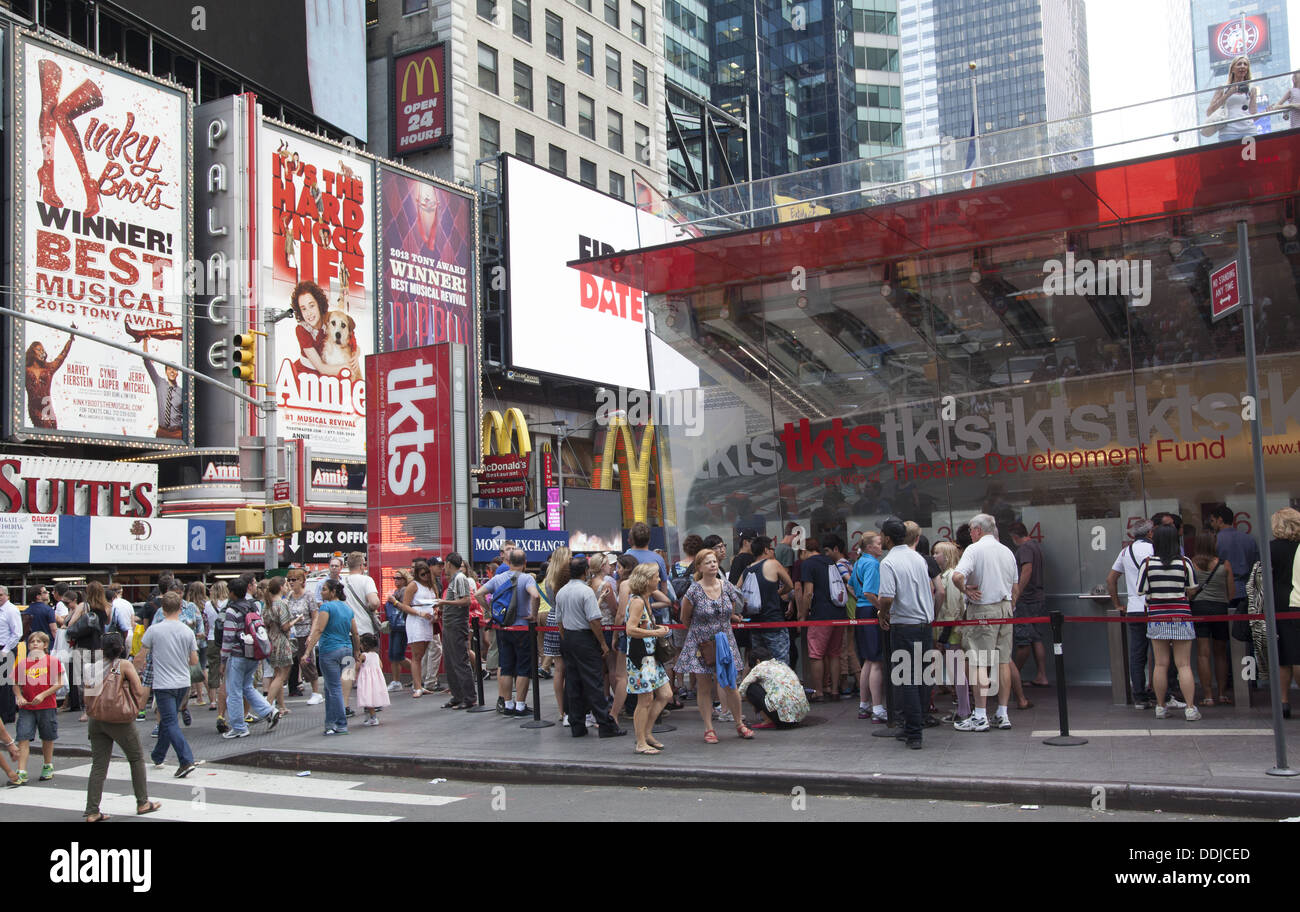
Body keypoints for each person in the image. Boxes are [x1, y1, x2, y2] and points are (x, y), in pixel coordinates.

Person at [952, 513, 1019, 732]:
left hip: (983, 608)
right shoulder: (1006, 550)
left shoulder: (974, 549)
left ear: (978, 530)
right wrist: (1010, 606)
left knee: (979, 661)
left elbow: (957, 576)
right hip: (1005, 606)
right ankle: (1002, 712)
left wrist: (966, 591)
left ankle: (980, 715)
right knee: (1002, 660)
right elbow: (1015, 587)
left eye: (971, 530)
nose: (970, 533)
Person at [82, 633, 160, 820]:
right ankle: (142, 802)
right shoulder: (124, 665)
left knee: (99, 765)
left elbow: (87, 696)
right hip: (120, 720)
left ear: (102, 649)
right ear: (121, 648)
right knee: (135, 758)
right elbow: (139, 690)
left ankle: (92, 810)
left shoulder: (93, 667)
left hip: (97, 720)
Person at [678, 548, 752, 742]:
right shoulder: (694, 590)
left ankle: (739, 723)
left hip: (725, 640)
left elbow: (732, 608)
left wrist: (730, 618)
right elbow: (684, 618)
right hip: (701, 642)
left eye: (714, 561)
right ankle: (709, 728)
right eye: (708, 562)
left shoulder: (726, 586)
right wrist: (700, 632)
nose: (712, 564)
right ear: (700, 567)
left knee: (730, 683)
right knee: (704, 685)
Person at [878, 519, 939, 749]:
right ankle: (915, 724)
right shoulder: (917, 558)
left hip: (905, 626)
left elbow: (887, 596)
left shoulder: (889, 562)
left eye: (882, 534)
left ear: (888, 538)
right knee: (921, 678)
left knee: (908, 680)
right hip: (924, 624)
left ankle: (914, 732)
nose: (880, 537)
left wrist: (882, 614)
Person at [554, 555, 626, 739]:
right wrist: (602, 643)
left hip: (569, 637)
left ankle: (576, 724)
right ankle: (605, 724)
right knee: (594, 681)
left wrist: (566, 637)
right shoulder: (585, 592)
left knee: (573, 681)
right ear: (585, 571)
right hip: (585, 638)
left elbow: (559, 621)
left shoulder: (561, 592)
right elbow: (594, 620)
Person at [1137, 524, 1201, 722]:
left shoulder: (1147, 564)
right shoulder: (1185, 563)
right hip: (1181, 616)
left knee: (1160, 664)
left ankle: (1160, 706)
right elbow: (1192, 589)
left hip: (1157, 617)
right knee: (1183, 665)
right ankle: (1190, 709)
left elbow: (1141, 590)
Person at [138, 592, 200, 778]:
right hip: (182, 682)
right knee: (168, 719)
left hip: (163, 683)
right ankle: (158, 755)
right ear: (181, 608)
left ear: (162, 609)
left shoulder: (154, 630)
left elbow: (141, 656)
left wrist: (133, 673)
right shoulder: (187, 631)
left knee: (170, 721)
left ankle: (185, 759)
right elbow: (194, 660)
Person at [474, 548, 541, 716]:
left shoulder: (498, 578)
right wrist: (533, 614)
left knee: (506, 667)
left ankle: (508, 704)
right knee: (523, 667)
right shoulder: (526, 578)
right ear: (525, 563)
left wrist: (490, 610)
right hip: (522, 628)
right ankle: (520, 705)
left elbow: (478, 594)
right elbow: (535, 596)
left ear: (509, 563)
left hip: (503, 627)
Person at [220, 575, 283, 739]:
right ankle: (269, 711)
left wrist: (222, 661)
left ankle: (239, 727)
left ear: (233, 593)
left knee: (234, 691)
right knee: (247, 687)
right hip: (253, 655)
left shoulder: (232, 610)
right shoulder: (253, 607)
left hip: (237, 655)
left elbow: (228, 638)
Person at [300, 578, 361, 735]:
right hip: (347, 651)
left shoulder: (326, 607)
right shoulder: (347, 609)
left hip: (329, 652)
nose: (321, 592)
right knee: (334, 687)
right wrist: (356, 651)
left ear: (333, 592)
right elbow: (355, 632)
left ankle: (340, 724)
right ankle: (330, 723)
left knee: (333, 688)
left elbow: (319, 630)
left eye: (325, 589)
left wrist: (307, 652)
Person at [624, 563, 673, 752]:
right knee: (645, 700)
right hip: (641, 658)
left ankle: (647, 733)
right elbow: (630, 629)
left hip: (649, 657)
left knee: (665, 694)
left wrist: (656, 631)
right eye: (656, 576)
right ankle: (640, 741)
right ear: (646, 580)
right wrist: (656, 633)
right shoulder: (637, 601)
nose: (659, 579)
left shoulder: (644, 598)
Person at [800, 534, 847, 702]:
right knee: (834, 653)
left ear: (804, 552)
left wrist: (803, 615)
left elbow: (808, 593)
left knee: (816, 654)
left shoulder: (808, 564)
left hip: (820, 614)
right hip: (839, 613)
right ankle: (834, 690)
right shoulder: (830, 561)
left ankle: (818, 691)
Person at [1188, 530, 1234, 706]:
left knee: (1203, 654)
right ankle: (1222, 693)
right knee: (1221, 653)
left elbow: (1190, 591)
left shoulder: (1192, 564)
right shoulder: (1225, 565)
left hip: (1199, 609)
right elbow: (1231, 593)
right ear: (1213, 544)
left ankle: (1208, 696)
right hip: (1220, 609)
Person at [12, 631, 63, 785]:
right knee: (23, 737)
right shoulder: (23, 664)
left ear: (45, 645)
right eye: (32, 641)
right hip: (27, 708)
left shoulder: (52, 662)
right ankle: (21, 771)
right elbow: (15, 684)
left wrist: (43, 695)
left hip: (47, 706)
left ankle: (48, 765)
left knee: (47, 737)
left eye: (38, 641)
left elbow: (59, 683)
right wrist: (19, 696)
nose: (35, 644)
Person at [1267, 508, 1300, 719]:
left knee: (1283, 656)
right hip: (1296, 601)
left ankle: (1283, 702)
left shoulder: (1270, 549)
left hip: (1278, 604)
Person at [932, 540, 970, 723]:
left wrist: (944, 634)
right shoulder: (944, 576)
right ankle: (962, 708)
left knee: (957, 671)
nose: (934, 556)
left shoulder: (950, 576)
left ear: (946, 555)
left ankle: (964, 709)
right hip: (948, 629)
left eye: (936, 553)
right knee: (955, 671)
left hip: (953, 631)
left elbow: (954, 609)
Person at [742, 536, 795, 666]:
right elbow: (790, 585)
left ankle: (762, 687)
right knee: (780, 664)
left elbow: (737, 590)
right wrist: (777, 593)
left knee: (760, 664)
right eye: (772, 549)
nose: (773, 552)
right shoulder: (773, 564)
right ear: (766, 550)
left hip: (755, 625)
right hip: (773, 622)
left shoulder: (747, 570)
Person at [851, 532, 886, 722]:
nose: (881, 547)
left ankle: (864, 704)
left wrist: (861, 600)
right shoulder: (872, 564)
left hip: (860, 610)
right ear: (870, 547)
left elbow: (850, 586)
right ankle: (878, 708)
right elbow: (870, 592)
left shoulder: (858, 563)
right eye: (879, 544)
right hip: (871, 611)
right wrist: (883, 609)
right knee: (876, 661)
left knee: (867, 660)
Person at [436, 553, 478, 709]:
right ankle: (457, 695)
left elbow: (466, 600)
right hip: (449, 625)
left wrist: (444, 602)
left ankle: (469, 697)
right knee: (450, 661)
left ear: (448, 564)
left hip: (457, 625)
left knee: (460, 661)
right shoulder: (454, 580)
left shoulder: (460, 579)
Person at [590, 553, 628, 722]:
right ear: (602, 566)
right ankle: (618, 704)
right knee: (613, 667)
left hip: (595, 627)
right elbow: (615, 609)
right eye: (607, 564)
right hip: (609, 626)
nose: (611, 567)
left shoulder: (590, 584)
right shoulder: (606, 585)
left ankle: (605, 699)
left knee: (602, 668)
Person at [1208, 505, 1258, 628]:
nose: (1211, 524)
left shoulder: (1215, 541)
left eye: (1212, 521)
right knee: (1246, 630)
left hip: (1223, 591)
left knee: (1226, 630)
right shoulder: (1249, 539)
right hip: (1246, 589)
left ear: (1220, 520)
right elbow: (1257, 565)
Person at [65, 584, 110, 722]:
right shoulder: (107, 607)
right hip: (99, 646)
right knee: (97, 678)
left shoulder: (83, 606)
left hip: (83, 645)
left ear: (87, 592)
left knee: (83, 680)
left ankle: (87, 710)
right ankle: (98, 707)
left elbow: (70, 624)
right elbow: (107, 623)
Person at [738, 645, 809, 730]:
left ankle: (768, 720)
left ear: (757, 661)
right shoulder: (781, 665)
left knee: (750, 688)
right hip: (799, 716)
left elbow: (742, 689)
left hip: (782, 719)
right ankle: (772, 717)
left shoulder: (760, 667)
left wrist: (752, 706)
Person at [396, 560, 439, 698]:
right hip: (417, 621)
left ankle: (420, 684)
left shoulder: (432, 586)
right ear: (417, 574)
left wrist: (436, 612)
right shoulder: (413, 585)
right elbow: (405, 605)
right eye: (422, 574)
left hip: (429, 621)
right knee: (417, 655)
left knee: (424, 653)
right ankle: (417, 686)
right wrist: (420, 613)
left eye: (427, 573)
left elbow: (436, 602)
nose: (425, 576)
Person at [538, 547, 572, 723]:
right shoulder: (564, 578)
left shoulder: (548, 578)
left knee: (559, 668)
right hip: (564, 619)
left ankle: (561, 710)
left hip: (552, 618)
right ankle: (568, 708)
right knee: (567, 668)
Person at [1205, 55, 1259, 140]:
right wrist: (1228, 94)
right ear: (1233, 69)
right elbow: (1209, 112)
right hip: (1229, 131)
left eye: (1245, 64)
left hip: (1249, 130)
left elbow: (1253, 113)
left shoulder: (1251, 88)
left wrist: (1254, 96)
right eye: (1239, 64)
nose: (1242, 66)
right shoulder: (1223, 88)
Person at [260, 577, 294, 714]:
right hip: (281, 641)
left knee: (277, 674)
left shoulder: (267, 605)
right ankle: (267, 707)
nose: (287, 587)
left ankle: (281, 706)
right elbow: (285, 627)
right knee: (281, 675)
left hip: (270, 640)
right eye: (286, 585)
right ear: (281, 587)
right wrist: (295, 621)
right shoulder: (281, 604)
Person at [203, 581, 229, 708]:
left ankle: (213, 701)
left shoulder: (208, 604)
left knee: (213, 669)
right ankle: (226, 698)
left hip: (212, 638)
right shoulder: (228, 603)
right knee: (227, 669)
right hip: (226, 638)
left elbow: (207, 621)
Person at [355, 633, 390, 726]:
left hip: (366, 681)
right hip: (375, 681)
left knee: (367, 698)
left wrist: (358, 659)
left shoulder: (363, 655)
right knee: (372, 698)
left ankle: (373, 718)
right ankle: (369, 717)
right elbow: (381, 666)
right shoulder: (376, 655)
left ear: (364, 645)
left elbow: (357, 667)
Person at [385, 570, 410, 691]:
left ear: (405, 579)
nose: (396, 580)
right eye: (394, 578)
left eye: (399, 578)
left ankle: (419, 675)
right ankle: (396, 680)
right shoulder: (396, 591)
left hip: (402, 626)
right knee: (394, 655)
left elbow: (405, 607)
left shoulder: (405, 591)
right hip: (396, 625)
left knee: (398, 655)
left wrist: (393, 601)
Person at [0, 587, 22, 725]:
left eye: (1, 595)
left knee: (5, 683)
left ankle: (7, 715)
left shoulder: (11, 610)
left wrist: (6, 649)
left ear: (7, 595)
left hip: (6, 648)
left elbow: (17, 633)